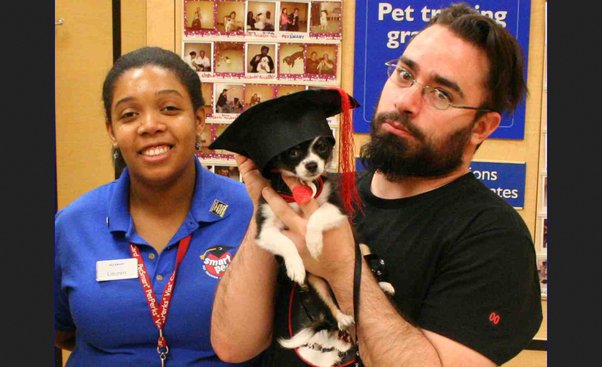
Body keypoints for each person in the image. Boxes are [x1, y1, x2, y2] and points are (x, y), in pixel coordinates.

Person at [210, 3, 543, 367]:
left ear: (481, 127)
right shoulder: (321, 195)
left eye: (441, 94)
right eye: (404, 74)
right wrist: (267, 204)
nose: (405, 101)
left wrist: (344, 270)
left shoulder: (493, 238)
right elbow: (233, 345)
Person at [54, 46, 256, 366]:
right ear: (112, 131)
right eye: (129, 115)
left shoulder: (251, 214)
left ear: (199, 119)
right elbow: (62, 331)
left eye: (169, 108)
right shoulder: (73, 224)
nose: (150, 125)